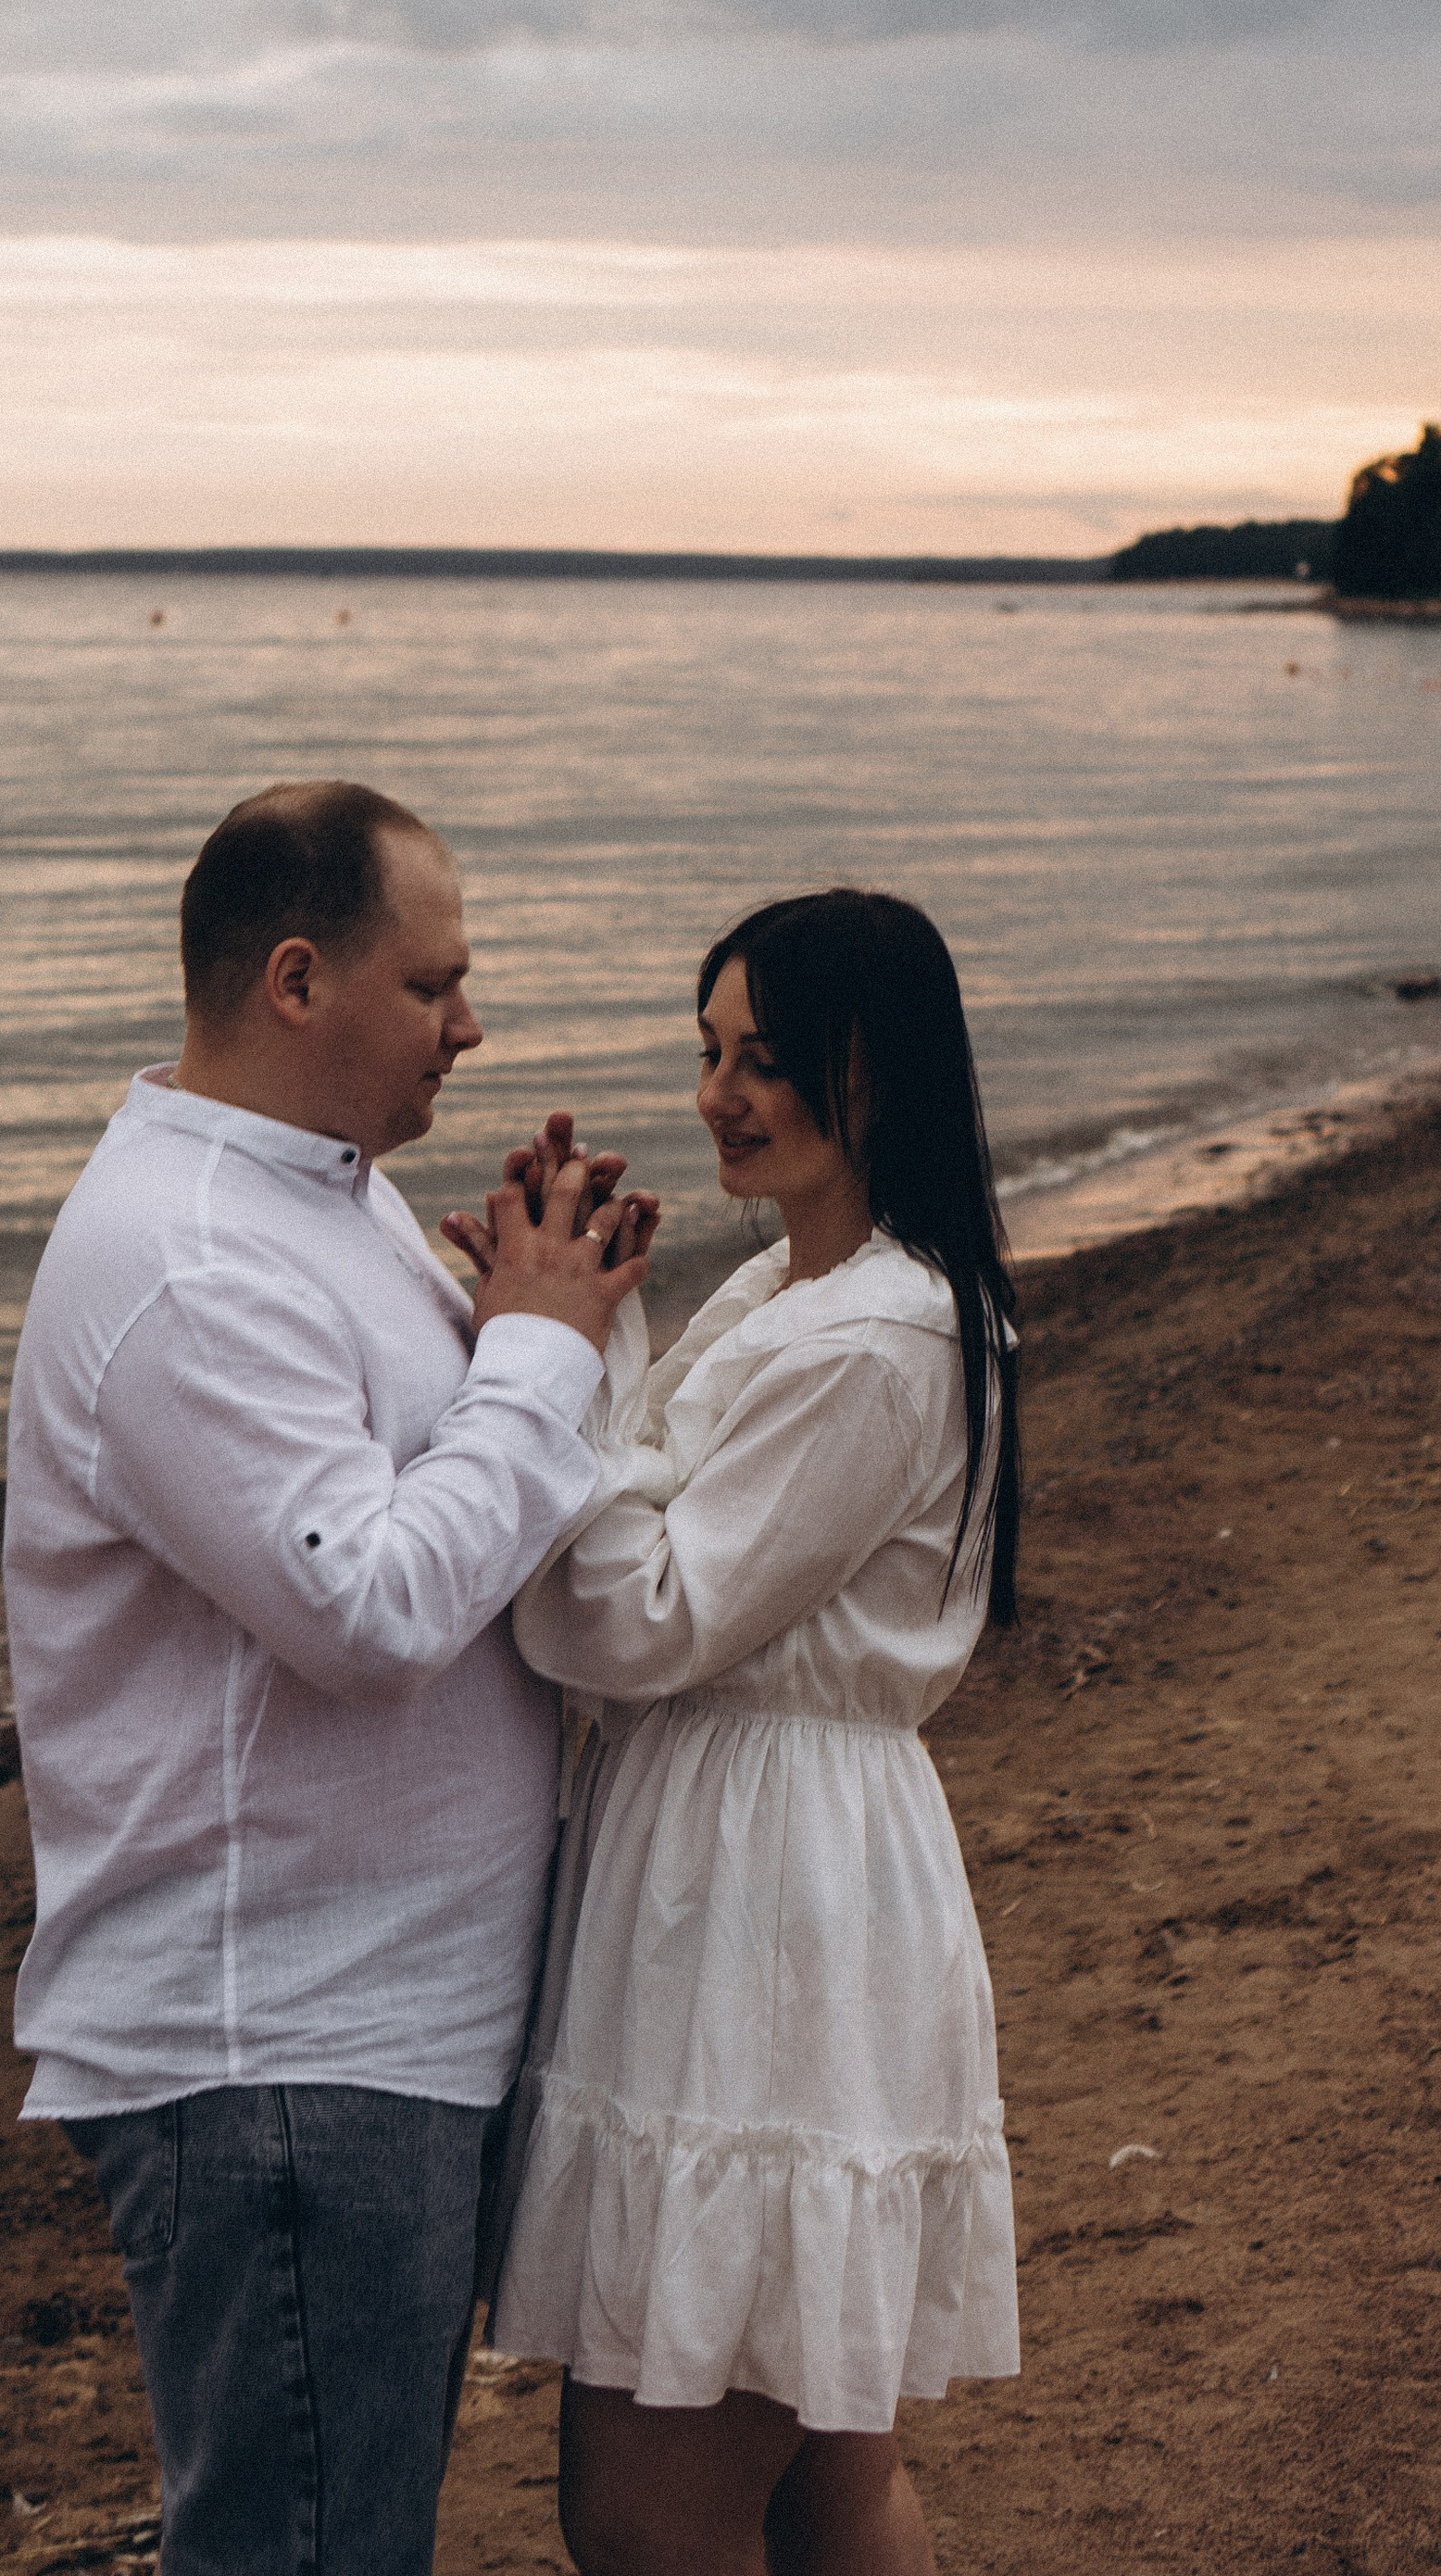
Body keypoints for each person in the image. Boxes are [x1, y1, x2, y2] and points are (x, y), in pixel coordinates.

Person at [3, 780, 654, 2576]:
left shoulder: (328, 1199)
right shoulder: (187, 1258)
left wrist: (525, 1304)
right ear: (296, 982)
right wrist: (530, 1351)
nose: (473, 1024)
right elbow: (362, 1608)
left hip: (371, 2023)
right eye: (433, 984)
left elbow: (436, 1494)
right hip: (279, 2044)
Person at [483, 886, 1023, 2576]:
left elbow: (628, 1617)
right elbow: (660, 1567)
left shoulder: (872, 1335)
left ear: (876, 1071)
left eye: (766, 1058)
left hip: (764, 1888)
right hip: (779, 1854)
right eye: (709, 1052)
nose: (721, 1094)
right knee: (816, 2479)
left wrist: (548, 1357)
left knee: (648, 2509)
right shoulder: (819, 1291)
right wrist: (590, 1329)